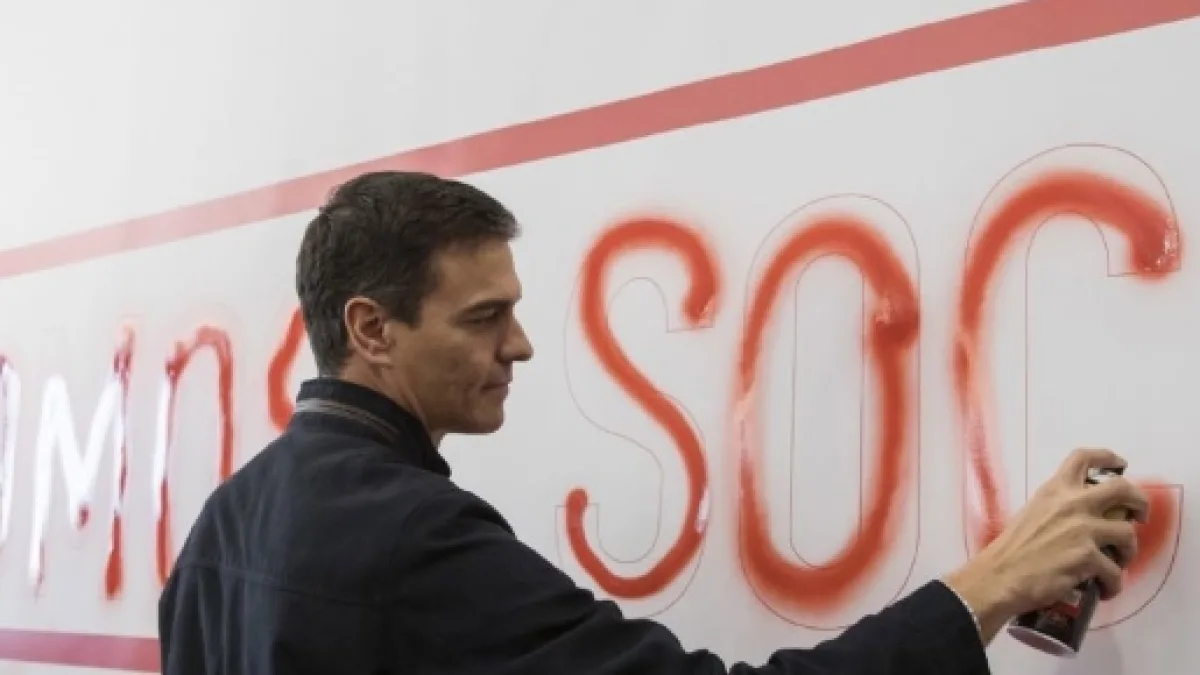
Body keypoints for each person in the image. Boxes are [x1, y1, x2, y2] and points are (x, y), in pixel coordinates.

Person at [157, 170, 1149, 674]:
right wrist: (990, 583)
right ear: (372, 329)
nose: (521, 346)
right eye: (484, 317)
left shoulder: (219, 529)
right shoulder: (411, 540)